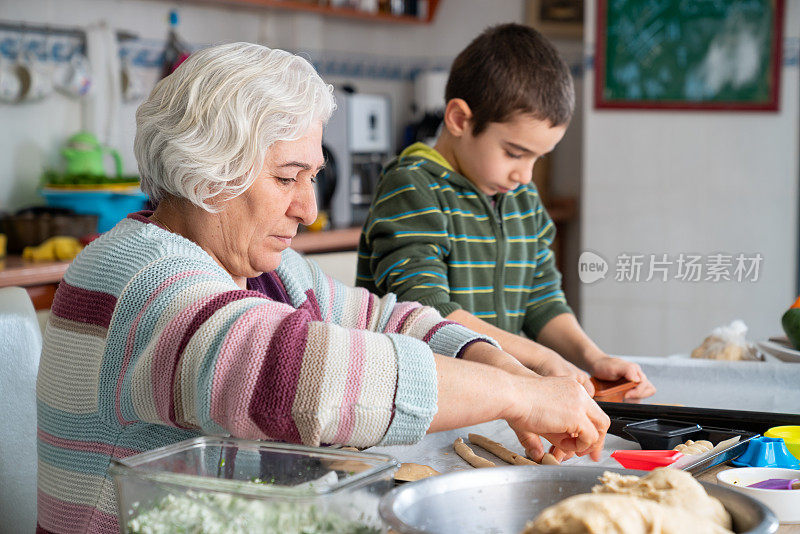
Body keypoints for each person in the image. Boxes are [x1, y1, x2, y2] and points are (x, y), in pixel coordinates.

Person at [35, 42, 609, 534]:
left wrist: (505, 369)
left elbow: (387, 320)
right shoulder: (142, 276)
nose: (309, 210)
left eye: (313, 177)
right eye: (288, 177)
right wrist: (520, 397)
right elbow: (302, 378)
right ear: (208, 170)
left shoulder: (268, 271)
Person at [356, 24, 655, 435]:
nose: (525, 174)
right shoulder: (412, 188)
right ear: (460, 119)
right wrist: (543, 361)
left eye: (538, 158)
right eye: (515, 152)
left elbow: (541, 298)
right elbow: (426, 310)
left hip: (498, 409)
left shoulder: (520, 196)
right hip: (417, 411)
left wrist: (591, 356)